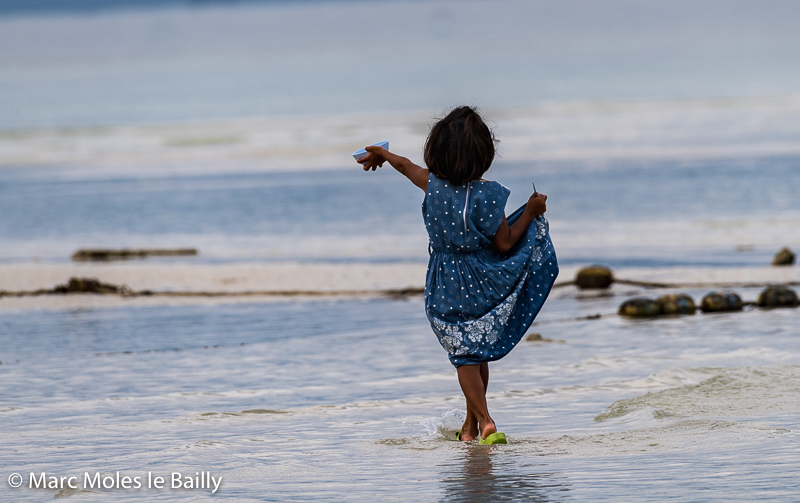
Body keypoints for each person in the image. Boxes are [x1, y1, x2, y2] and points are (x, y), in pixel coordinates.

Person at [356, 106, 558, 444]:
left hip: (445, 282)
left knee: (464, 354)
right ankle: (471, 426)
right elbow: (507, 243)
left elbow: (405, 166)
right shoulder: (490, 194)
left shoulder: (432, 185)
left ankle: (487, 421)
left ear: (436, 152)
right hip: (483, 280)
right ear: (484, 155)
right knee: (473, 350)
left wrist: (383, 153)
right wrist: (532, 211)